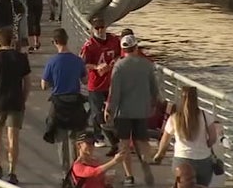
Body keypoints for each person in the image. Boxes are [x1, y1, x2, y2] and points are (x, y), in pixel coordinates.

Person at [106, 34, 159, 187]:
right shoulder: (147, 65)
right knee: (142, 142)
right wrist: (154, 104)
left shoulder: (119, 66)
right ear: (136, 47)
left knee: (124, 144)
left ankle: (129, 176)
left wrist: (109, 109)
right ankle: (146, 169)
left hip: (123, 112)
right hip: (142, 111)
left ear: (122, 49)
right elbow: (154, 88)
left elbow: (114, 92)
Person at [0, 28, 31, 186]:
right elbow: (28, 83)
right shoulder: (22, 58)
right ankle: (12, 171)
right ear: (13, 40)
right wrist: (23, 99)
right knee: (13, 138)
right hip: (16, 102)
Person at [41, 28, 88, 176]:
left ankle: (64, 174)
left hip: (59, 104)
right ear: (67, 39)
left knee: (61, 142)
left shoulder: (52, 61)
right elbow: (85, 80)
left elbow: (44, 85)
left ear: (55, 42)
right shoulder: (77, 60)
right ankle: (77, 171)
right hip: (75, 103)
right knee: (76, 139)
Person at [153, 86, 219, 187]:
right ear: (196, 99)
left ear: (181, 99)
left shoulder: (174, 118)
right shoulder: (206, 116)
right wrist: (206, 145)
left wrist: (159, 155)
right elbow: (213, 138)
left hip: (181, 160)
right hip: (203, 161)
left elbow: (165, 142)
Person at [80, 17, 121, 151]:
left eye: (102, 27)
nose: (100, 30)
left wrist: (115, 61)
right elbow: (84, 64)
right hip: (96, 84)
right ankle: (99, 137)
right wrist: (96, 67)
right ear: (92, 29)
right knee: (97, 113)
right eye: (97, 28)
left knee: (112, 111)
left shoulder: (115, 40)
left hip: (111, 82)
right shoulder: (89, 45)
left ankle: (116, 136)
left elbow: (120, 55)